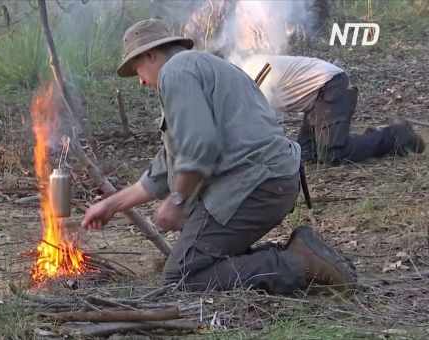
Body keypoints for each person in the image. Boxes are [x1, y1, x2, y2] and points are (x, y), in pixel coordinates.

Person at [81, 19, 356, 294]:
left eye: (137, 68)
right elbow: (165, 168)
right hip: (273, 180)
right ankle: (299, 253)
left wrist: (178, 200)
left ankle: (294, 263)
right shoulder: (201, 69)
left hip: (256, 185)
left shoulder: (175, 72)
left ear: (151, 55)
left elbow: (200, 145)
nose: (140, 81)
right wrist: (110, 206)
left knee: (182, 278)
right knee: (198, 261)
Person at [239, 55, 425, 164]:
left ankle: (393, 135)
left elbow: (263, 127)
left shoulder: (250, 77)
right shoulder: (243, 73)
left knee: (333, 155)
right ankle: (367, 138)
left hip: (332, 86)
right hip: (315, 99)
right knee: (305, 156)